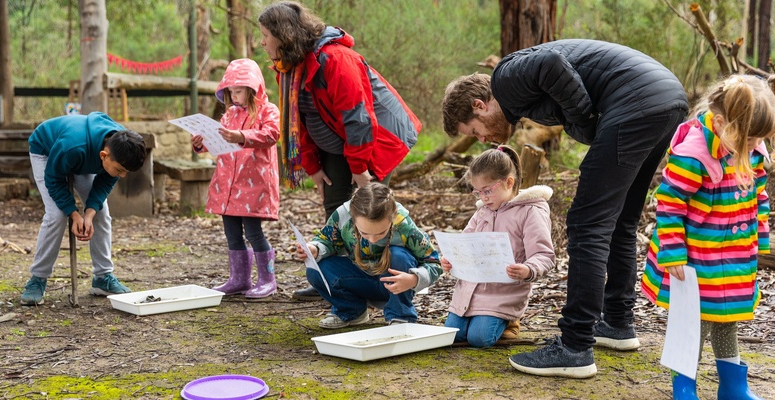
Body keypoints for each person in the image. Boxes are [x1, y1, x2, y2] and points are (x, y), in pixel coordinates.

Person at [442, 39, 689, 378]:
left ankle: (575, 346)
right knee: (620, 220)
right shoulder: (521, 98)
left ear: (479, 105)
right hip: (665, 99)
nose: (482, 139)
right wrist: (588, 123)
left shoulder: (506, 78)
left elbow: (552, 64)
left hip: (637, 102)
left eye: (475, 131)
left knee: (587, 222)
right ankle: (617, 323)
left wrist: (585, 122)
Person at [258, 1, 422, 301]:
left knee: (372, 209)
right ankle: (336, 279)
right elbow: (298, 120)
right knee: (335, 206)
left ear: (284, 35)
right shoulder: (289, 67)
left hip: (374, 137)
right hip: (335, 142)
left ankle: (388, 285)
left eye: (266, 34)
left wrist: (360, 171)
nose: (262, 42)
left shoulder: (336, 59)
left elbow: (358, 118)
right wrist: (313, 167)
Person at [641, 75, 775, 400]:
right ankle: (684, 386)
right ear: (720, 123)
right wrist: (672, 252)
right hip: (696, 257)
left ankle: (733, 386)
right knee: (694, 324)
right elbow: (670, 205)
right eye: (749, 139)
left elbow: (758, 195)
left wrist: (761, 236)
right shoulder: (693, 156)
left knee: (728, 319)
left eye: (759, 140)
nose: (754, 146)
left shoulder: (752, 148)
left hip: (735, 254)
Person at [21, 112, 147, 306]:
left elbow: (105, 182)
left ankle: (102, 277)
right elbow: (54, 180)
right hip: (47, 150)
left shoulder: (120, 147)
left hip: (82, 156)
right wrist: (73, 214)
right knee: (56, 214)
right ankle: (38, 278)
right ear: (104, 155)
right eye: (120, 171)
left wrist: (88, 214)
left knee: (101, 212)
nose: (122, 176)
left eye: (125, 172)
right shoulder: (73, 147)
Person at [441, 146, 555, 348]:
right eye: (477, 192)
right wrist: (452, 259)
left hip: (503, 292)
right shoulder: (482, 212)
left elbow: (544, 254)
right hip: (470, 290)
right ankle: (482, 320)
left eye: (487, 190)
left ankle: (510, 321)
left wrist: (528, 269)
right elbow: (464, 243)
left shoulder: (530, 211)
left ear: (508, 182)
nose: (483, 197)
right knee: (453, 335)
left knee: (479, 339)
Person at [191, 59, 281, 299]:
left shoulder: (267, 110)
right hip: (227, 183)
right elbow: (219, 142)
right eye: (230, 91)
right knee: (231, 232)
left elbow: (271, 134)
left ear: (252, 89)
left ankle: (267, 279)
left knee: (253, 232)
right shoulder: (229, 114)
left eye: (238, 91)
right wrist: (202, 143)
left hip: (253, 183)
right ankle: (239, 279)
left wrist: (240, 135)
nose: (234, 95)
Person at [294, 182, 442, 328]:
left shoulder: (403, 225)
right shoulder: (342, 216)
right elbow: (326, 240)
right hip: (359, 277)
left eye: (381, 233)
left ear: (392, 217)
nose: (372, 239)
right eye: (364, 233)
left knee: (399, 256)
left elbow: (434, 262)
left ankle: (400, 315)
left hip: (395, 284)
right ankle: (351, 311)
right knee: (316, 269)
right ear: (353, 217)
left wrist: (414, 279)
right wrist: (315, 248)